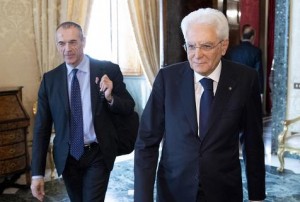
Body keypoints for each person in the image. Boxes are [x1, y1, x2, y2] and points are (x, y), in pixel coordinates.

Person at [134, 8, 265, 202]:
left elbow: (253, 141)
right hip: (174, 190)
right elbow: (146, 142)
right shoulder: (167, 79)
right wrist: (142, 198)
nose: (197, 54)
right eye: (191, 46)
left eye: (206, 46)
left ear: (223, 46)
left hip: (224, 191)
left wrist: (257, 196)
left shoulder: (245, 79)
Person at [30, 21, 136, 202]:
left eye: (73, 42)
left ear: (83, 42)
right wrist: (37, 174)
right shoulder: (50, 80)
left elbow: (128, 106)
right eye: (62, 44)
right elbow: (42, 128)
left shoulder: (108, 70)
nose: (67, 49)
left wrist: (110, 98)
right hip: (68, 156)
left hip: (98, 153)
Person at [225, 24, 264, 95]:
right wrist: (260, 92)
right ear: (252, 37)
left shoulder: (231, 51)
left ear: (241, 36)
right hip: (249, 89)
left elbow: (227, 71)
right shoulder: (256, 51)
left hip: (233, 88)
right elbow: (258, 73)